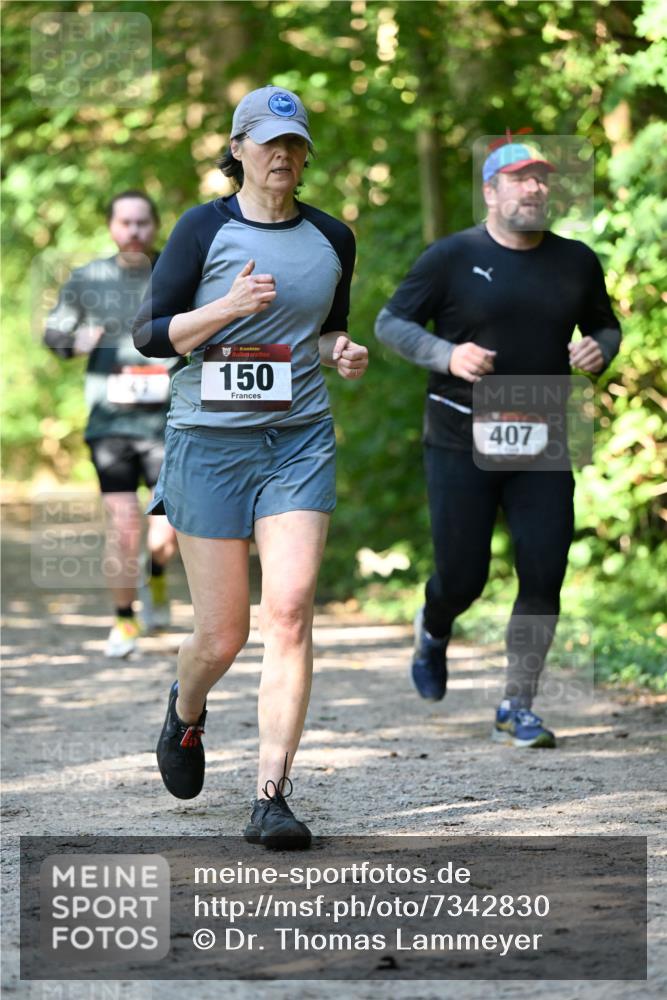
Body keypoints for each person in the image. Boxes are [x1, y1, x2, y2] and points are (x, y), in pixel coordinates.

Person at [132, 86, 368, 848]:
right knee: (223, 635)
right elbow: (150, 335)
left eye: (295, 144)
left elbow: (325, 330)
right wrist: (225, 309)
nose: (282, 155)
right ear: (238, 149)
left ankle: (271, 797)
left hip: (297, 440)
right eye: (268, 142)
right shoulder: (202, 229)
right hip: (208, 443)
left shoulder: (332, 237)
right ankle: (186, 710)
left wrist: (341, 350)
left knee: (290, 611)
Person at [375, 135, 621, 748]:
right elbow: (391, 323)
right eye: (520, 178)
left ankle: (517, 705)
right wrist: (446, 354)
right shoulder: (451, 256)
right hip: (460, 437)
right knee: (463, 577)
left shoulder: (576, 261)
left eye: (542, 179)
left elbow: (605, 326)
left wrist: (600, 349)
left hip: (542, 437)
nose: (535, 188)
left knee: (544, 572)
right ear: (490, 192)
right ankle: (434, 628)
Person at [44, 191, 181, 657]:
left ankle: (156, 576)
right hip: (111, 425)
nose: (134, 231)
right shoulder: (89, 278)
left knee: (166, 533)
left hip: (170, 421)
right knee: (123, 526)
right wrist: (74, 342)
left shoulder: (177, 272)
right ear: (111, 227)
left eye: (143, 222)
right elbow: (54, 333)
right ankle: (124, 621)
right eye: (126, 222)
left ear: (156, 225)